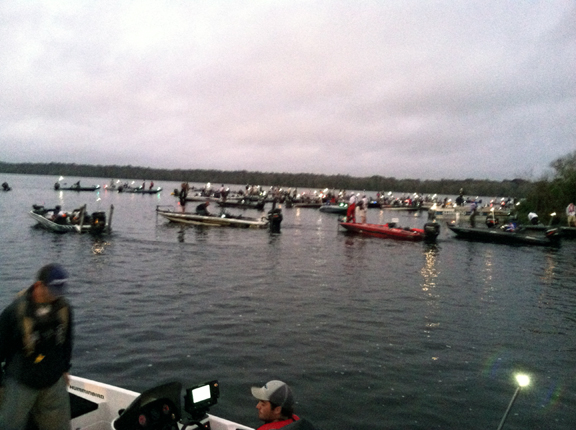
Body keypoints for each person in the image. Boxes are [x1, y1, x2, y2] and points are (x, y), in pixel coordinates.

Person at [0, 263, 73, 430]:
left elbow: (67, 340)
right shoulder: (15, 312)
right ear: (39, 285)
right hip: (21, 382)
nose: (57, 296)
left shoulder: (64, 308)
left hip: (53, 381)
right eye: (53, 290)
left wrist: (65, 368)